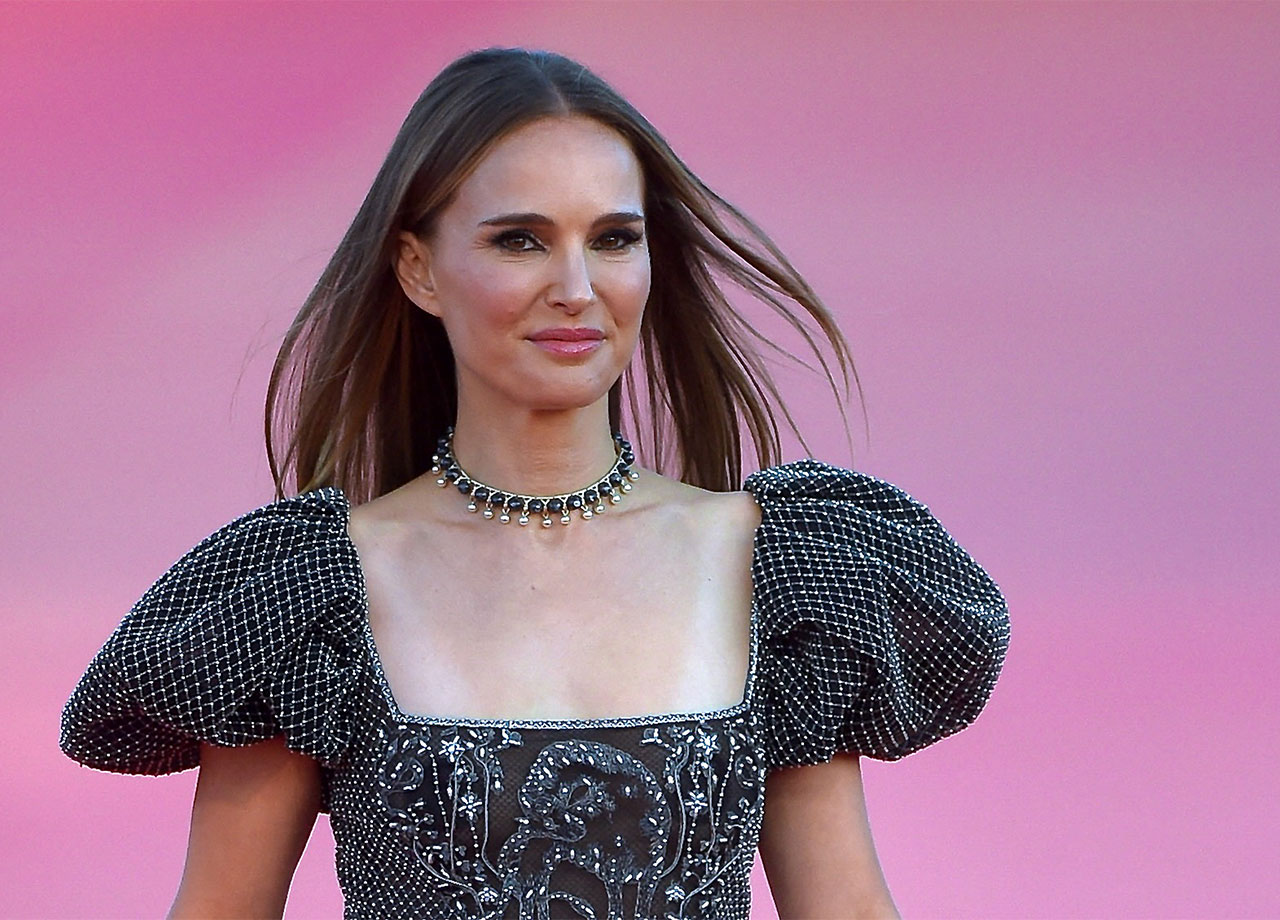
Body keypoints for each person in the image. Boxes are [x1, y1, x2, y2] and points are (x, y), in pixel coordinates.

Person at [59, 47, 1010, 920]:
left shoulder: (775, 568)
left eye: (612, 239)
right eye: (520, 240)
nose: (577, 287)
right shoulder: (309, 601)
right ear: (419, 269)